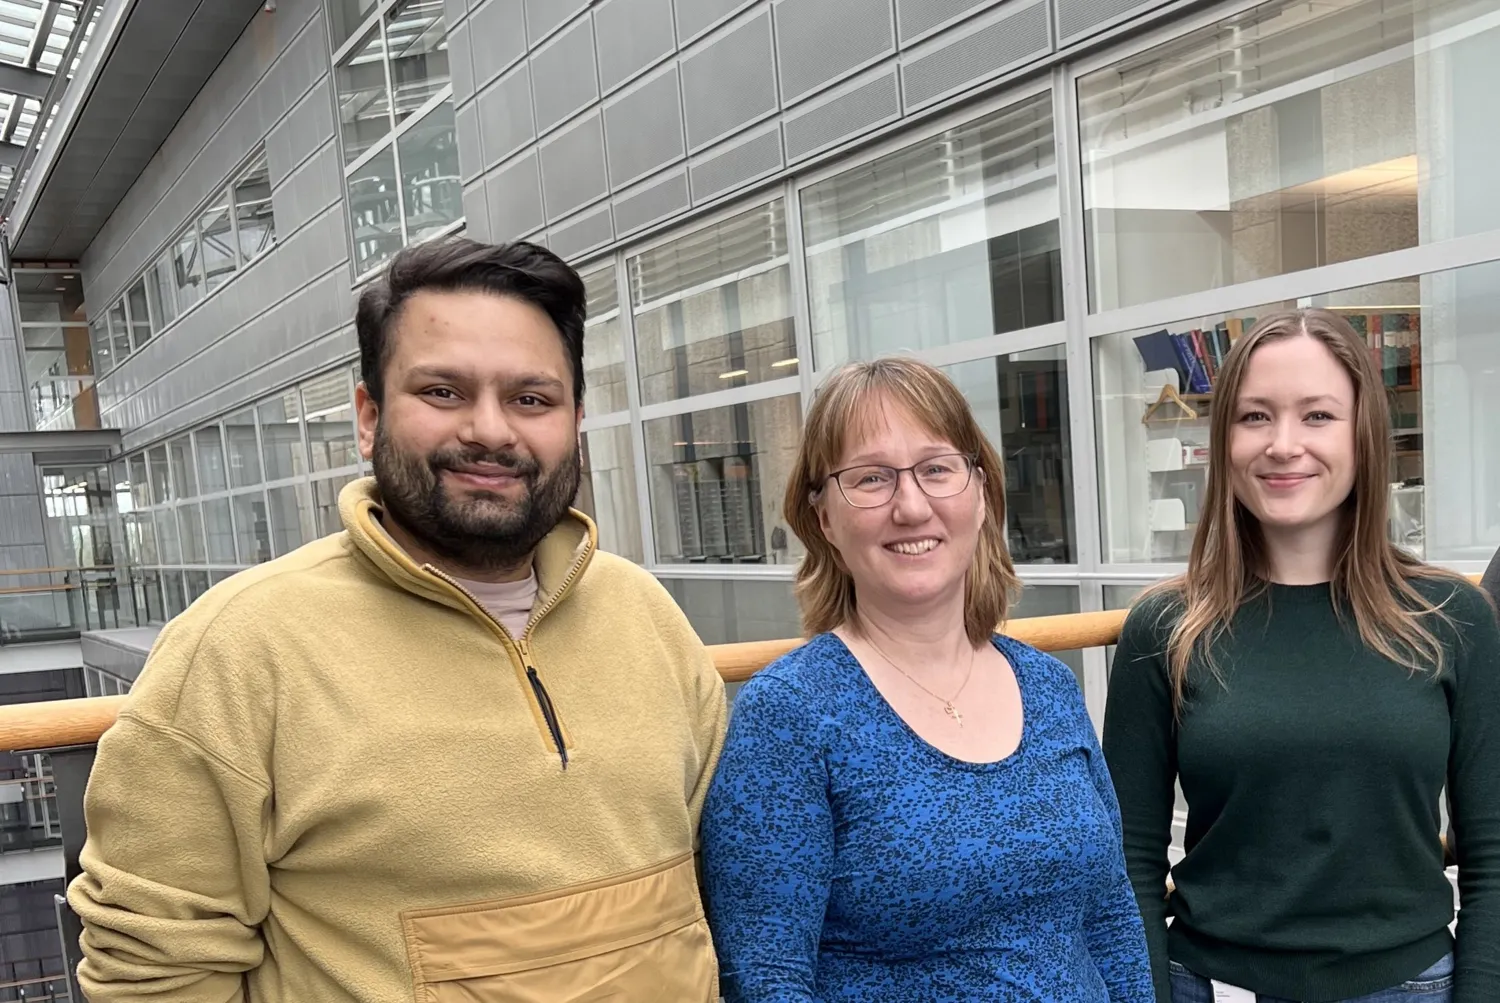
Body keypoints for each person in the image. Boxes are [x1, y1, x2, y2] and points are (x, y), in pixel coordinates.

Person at [67, 238, 729, 1003]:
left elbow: (715, 884)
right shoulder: (240, 650)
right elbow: (154, 970)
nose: (490, 430)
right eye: (444, 392)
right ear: (367, 414)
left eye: (531, 399)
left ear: (575, 422)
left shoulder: (646, 615)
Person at [701, 357, 1154, 1002]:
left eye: (936, 469)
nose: (911, 507)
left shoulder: (1049, 689)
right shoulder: (790, 716)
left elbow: (1109, 920)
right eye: (871, 478)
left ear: (980, 492)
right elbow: (767, 977)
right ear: (824, 518)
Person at [1103, 309, 1500, 1003]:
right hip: (1212, 985)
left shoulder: (1451, 619)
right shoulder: (1166, 627)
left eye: (1317, 415)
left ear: (1363, 434)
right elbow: (1127, 864)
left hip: (1409, 987)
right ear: (1225, 437)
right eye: (1255, 416)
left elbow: (1493, 858)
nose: (1283, 444)